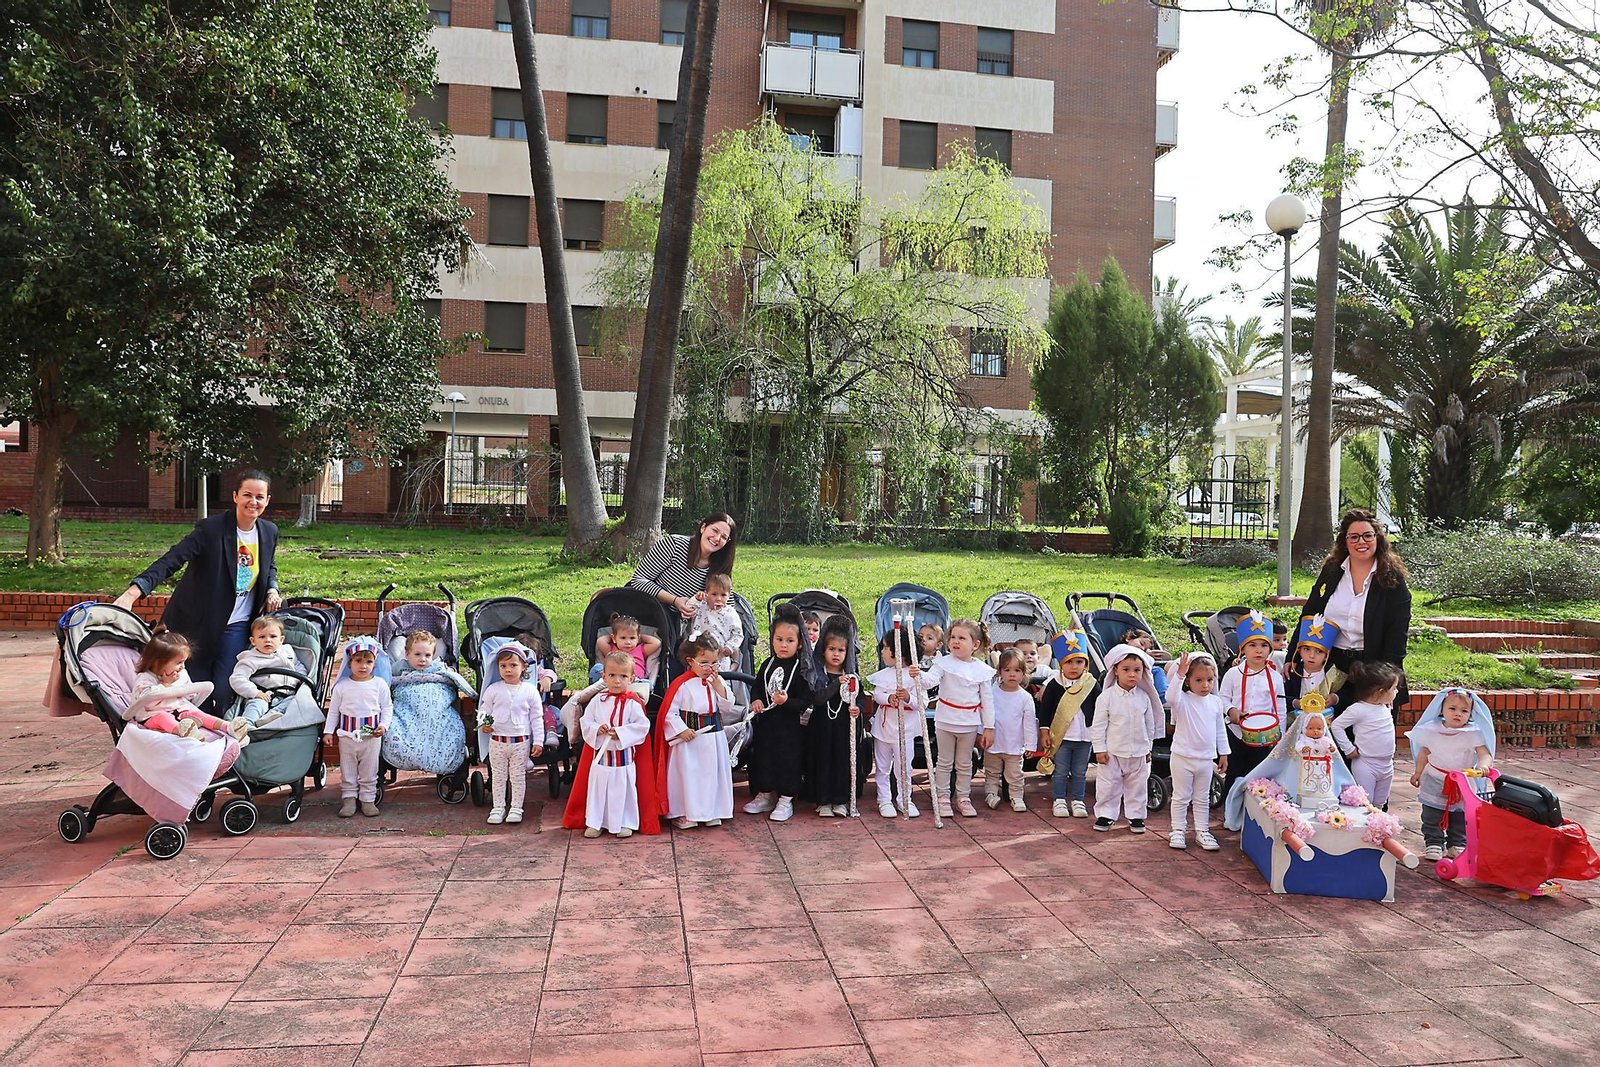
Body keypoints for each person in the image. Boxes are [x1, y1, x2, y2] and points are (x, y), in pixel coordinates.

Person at [114, 471, 282, 709]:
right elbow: (172, 559)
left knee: (226, 688)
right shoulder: (211, 530)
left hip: (237, 624)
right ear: (235, 496)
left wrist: (272, 589)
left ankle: (224, 740)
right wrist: (134, 592)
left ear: (267, 500)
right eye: (247, 495)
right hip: (197, 623)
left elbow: (268, 565)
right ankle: (195, 738)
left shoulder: (268, 531)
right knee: (193, 688)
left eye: (259, 496)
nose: (252, 502)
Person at [1298, 508, 1413, 709]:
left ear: (1378, 538)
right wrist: (1293, 656)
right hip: (1332, 665)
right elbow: (1309, 613)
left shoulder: (1393, 579)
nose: (1361, 542)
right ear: (1345, 541)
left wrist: (1386, 680)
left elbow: (1397, 635)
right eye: (1354, 537)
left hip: (1375, 669)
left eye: (1368, 535)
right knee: (1328, 736)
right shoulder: (1332, 571)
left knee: (1370, 737)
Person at [564, 651, 654, 838]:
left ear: (632, 678)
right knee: (598, 791)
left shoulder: (633, 703)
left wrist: (620, 733)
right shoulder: (597, 701)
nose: (617, 681)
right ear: (604, 676)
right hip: (602, 760)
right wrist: (598, 729)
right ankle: (596, 822)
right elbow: (586, 721)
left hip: (624, 761)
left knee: (623, 792)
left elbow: (642, 726)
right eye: (612, 675)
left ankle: (624, 822)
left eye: (623, 676)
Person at [744, 604, 817, 822]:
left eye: (789, 641)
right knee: (763, 757)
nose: (783, 645)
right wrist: (756, 700)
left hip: (789, 727)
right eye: (779, 640)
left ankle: (786, 798)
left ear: (800, 643)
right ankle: (765, 793)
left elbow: (805, 701)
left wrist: (787, 702)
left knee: (787, 761)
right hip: (766, 723)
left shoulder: (800, 668)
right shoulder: (768, 663)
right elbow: (757, 686)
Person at [655, 633, 735, 829]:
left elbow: (728, 707)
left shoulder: (718, 681)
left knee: (711, 775)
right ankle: (686, 812)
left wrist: (719, 687)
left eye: (714, 662)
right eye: (704, 662)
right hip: (690, 742)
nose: (710, 667)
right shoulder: (680, 685)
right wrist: (681, 730)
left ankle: (712, 810)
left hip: (714, 739)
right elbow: (669, 713)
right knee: (689, 776)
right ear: (691, 661)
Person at [1407, 688, 1495, 861]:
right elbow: (1424, 752)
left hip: (1462, 780)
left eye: (1464, 711)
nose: (1458, 714)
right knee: (1432, 812)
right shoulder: (1432, 730)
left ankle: (1457, 843)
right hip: (1435, 777)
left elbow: (1484, 753)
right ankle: (1434, 842)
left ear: (1470, 713)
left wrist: (1483, 765)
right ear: (1442, 709)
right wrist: (1418, 771)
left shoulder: (1473, 733)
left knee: (1461, 814)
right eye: (1452, 709)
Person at [924, 618, 996, 818]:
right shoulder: (943, 663)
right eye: (952, 637)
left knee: (964, 763)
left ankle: (963, 797)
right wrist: (917, 676)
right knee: (944, 761)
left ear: (975, 645)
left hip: (968, 723)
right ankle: (942, 797)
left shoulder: (981, 670)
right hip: (945, 721)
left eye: (961, 638)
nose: (955, 641)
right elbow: (930, 681)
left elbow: (987, 701)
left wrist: (988, 727)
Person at [1091, 644, 1164, 833]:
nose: (1132, 675)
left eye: (1137, 670)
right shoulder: (1106, 697)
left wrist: (1149, 748)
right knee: (1109, 785)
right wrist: (1099, 749)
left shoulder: (1144, 698)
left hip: (1139, 752)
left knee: (1138, 786)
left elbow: (1150, 725)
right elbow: (1098, 725)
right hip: (1112, 751)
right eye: (1126, 670)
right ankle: (1106, 815)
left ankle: (1136, 816)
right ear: (1115, 670)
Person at [130, 630, 249, 741]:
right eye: (178, 663)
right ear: (158, 662)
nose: (182, 666)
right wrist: (166, 684)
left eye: (184, 662)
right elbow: (147, 701)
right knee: (164, 718)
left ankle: (228, 727)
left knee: (199, 714)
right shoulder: (145, 679)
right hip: (152, 715)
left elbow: (189, 692)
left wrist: (190, 692)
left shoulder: (181, 674)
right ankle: (184, 732)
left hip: (178, 710)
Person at [476, 642, 547, 826]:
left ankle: (516, 807)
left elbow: (536, 718)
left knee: (517, 776)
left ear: (524, 666)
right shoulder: (494, 689)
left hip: (520, 742)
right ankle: (498, 807)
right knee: (498, 776)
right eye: (503, 666)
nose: (508, 670)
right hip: (498, 741)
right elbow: (484, 709)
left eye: (513, 665)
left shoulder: (530, 691)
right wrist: (484, 723)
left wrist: (538, 741)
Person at [1164, 651, 1229, 851]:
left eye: (1209, 680)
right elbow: (1170, 697)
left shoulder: (1216, 702)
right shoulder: (1183, 700)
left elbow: (1220, 729)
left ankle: (1202, 831)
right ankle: (1178, 830)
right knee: (1181, 796)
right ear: (1188, 681)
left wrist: (1224, 753)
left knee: (1202, 797)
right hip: (1182, 757)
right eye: (1199, 680)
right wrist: (1179, 674)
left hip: (1205, 759)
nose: (1205, 685)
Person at [1220, 611, 1285, 803]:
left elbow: (1279, 706)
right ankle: (1230, 809)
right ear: (1243, 649)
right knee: (1234, 771)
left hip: (1264, 736)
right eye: (1252, 645)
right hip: (1236, 732)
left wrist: (1280, 733)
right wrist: (1231, 711)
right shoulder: (1233, 674)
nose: (1259, 650)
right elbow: (1222, 698)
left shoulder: (1275, 677)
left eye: (1264, 645)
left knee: (1259, 774)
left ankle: (1254, 811)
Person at [804, 616, 866, 817]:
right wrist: (835, 684)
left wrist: (858, 709)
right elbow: (818, 699)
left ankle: (840, 800)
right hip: (822, 727)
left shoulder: (852, 677)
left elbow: (861, 698)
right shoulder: (818, 675)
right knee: (823, 761)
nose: (836, 654)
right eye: (832, 649)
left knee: (842, 761)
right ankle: (822, 800)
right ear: (823, 650)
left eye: (841, 650)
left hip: (842, 728)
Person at [324, 636, 391, 818]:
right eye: (358, 661)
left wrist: (383, 726)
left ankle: (368, 799)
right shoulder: (341, 686)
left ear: (375, 663)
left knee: (370, 770)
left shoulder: (379, 684)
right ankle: (349, 799)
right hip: (347, 736)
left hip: (371, 737)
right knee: (348, 769)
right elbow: (334, 711)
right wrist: (328, 731)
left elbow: (387, 708)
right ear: (350, 663)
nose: (363, 666)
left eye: (368, 662)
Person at [627, 513, 737, 621]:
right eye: (715, 530)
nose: (717, 538)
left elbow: (728, 605)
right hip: (652, 611)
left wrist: (695, 611)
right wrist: (675, 600)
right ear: (703, 527)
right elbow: (638, 580)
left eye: (724, 537)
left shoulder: (721, 564)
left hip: (690, 623)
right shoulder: (674, 545)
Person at [866, 627, 928, 818]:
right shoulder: (884, 674)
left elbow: (923, 703)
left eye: (885, 647)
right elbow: (877, 695)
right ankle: (884, 799)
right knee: (882, 766)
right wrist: (889, 698)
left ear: (898, 652)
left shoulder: (914, 675)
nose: (882, 651)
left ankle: (904, 799)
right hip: (884, 729)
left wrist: (909, 697)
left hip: (905, 730)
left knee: (904, 767)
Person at [1039, 630, 1098, 819]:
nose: (1074, 667)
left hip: (1085, 737)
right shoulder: (1055, 684)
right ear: (1061, 664)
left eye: (1079, 662)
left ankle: (1078, 800)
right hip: (1062, 737)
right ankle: (1059, 800)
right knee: (1061, 771)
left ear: (1086, 664)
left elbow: (1100, 709)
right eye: (1069, 662)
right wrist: (1045, 732)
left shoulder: (1091, 684)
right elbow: (1045, 710)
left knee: (1081, 772)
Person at [1330, 661, 1401, 810]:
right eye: (1394, 688)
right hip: (1366, 764)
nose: (1397, 692)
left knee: (1379, 804)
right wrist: (1348, 749)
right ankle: (1362, 831)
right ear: (1379, 692)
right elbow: (1337, 725)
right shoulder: (1359, 709)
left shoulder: (1385, 705)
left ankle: (1378, 828)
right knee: (1364, 803)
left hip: (1387, 764)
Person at [985, 649, 1039, 812]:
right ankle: (991, 794)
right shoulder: (992, 693)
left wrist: (1031, 745)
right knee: (991, 772)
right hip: (993, 744)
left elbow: (1029, 723)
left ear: (1023, 673)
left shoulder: (1025, 697)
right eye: (1007, 670)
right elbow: (985, 714)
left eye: (1017, 670)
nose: (1012, 674)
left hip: (1014, 746)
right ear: (1000, 671)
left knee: (1015, 774)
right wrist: (982, 734)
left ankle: (1016, 797)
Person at [228, 616, 295, 726]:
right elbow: (237, 678)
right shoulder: (249, 659)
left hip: (287, 694)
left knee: (296, 702)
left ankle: (271, 716)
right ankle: (246, 725)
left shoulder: (287, 653)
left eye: (273, 636)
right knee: (256, 706)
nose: (268, 640)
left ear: (281, 640)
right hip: (263, 694)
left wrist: (302, 679)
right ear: (253, 641)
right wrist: (255, 692)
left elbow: (298, 666)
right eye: (262, 637)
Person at [1285, 615, 1344, 714]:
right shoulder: (1292, 672)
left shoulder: (1333, 672)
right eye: (1307, 649)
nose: (1312, 656)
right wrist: (1295, 703)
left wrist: (1334, 698)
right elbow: (1281, 698)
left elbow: (1347, 695)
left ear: (1326, 655)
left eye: (1319, 651)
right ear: (1299, 651)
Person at [593, 614, 661, 697]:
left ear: (638, 638)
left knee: (647, 684)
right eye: (623, 638)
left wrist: (640, 638)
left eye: (632, 638)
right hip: (613, 680)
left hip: (633, 682)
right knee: (597, 669)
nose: (628, 642)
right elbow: (600, 641)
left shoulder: (640, 650)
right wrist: (613, 638)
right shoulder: (612, 650)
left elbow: (657, 643)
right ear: (614, 638)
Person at [689, 572, 744, 674]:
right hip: (699, 653)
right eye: (714, 594)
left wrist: (730, 647)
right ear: (707, 594)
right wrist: (696, 599)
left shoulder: (731, 613)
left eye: (723, 595)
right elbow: (688, 609)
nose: (718, 598)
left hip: (721, 656)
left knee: (721, 679)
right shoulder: (701, 607)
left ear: (728, 596)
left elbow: (738, 634)